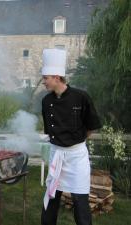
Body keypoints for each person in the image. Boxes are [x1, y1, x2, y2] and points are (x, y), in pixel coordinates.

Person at [40, 48, 101, 225]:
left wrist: (76, 144)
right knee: (51, 199)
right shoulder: (46, 101)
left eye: (46, 78)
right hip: (56, 154)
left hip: (76, 157)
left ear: (57, 77)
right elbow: (49, 131)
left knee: (80, 201)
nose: (44, 82)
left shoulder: (81, 97)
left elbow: (91, 127)